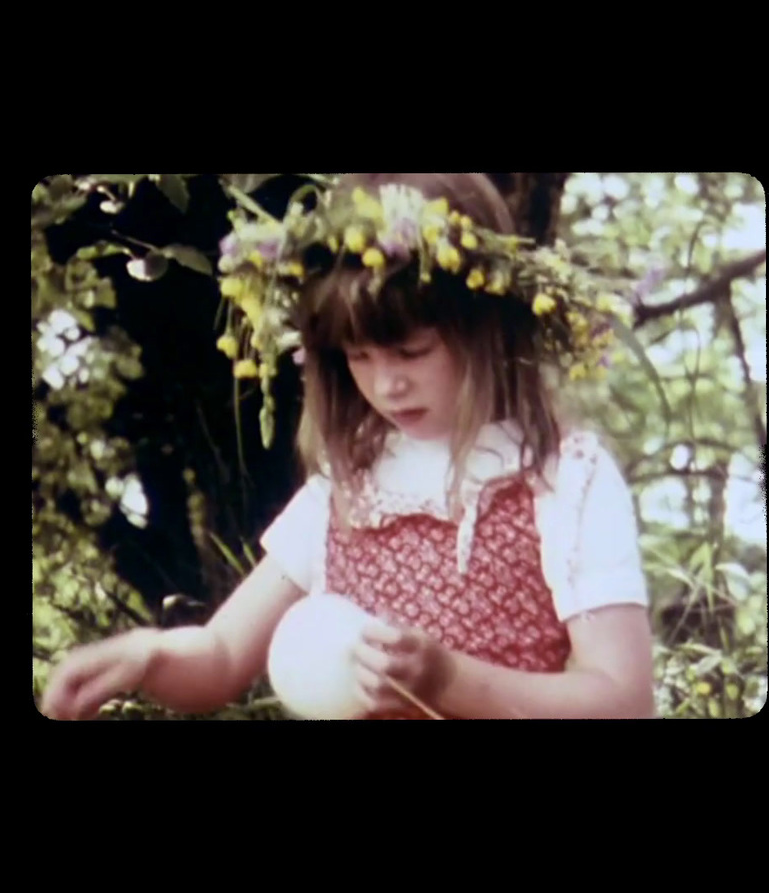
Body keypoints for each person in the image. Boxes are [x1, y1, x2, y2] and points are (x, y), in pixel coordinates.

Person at [41, 173, 655, 720]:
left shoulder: (563, 478)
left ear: (490, 327)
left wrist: (451, 681)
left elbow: (622, 699)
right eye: (359, 357)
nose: (387, 383)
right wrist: (149, 655)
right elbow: (223, 655)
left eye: (413, 352)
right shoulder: (350, 486)